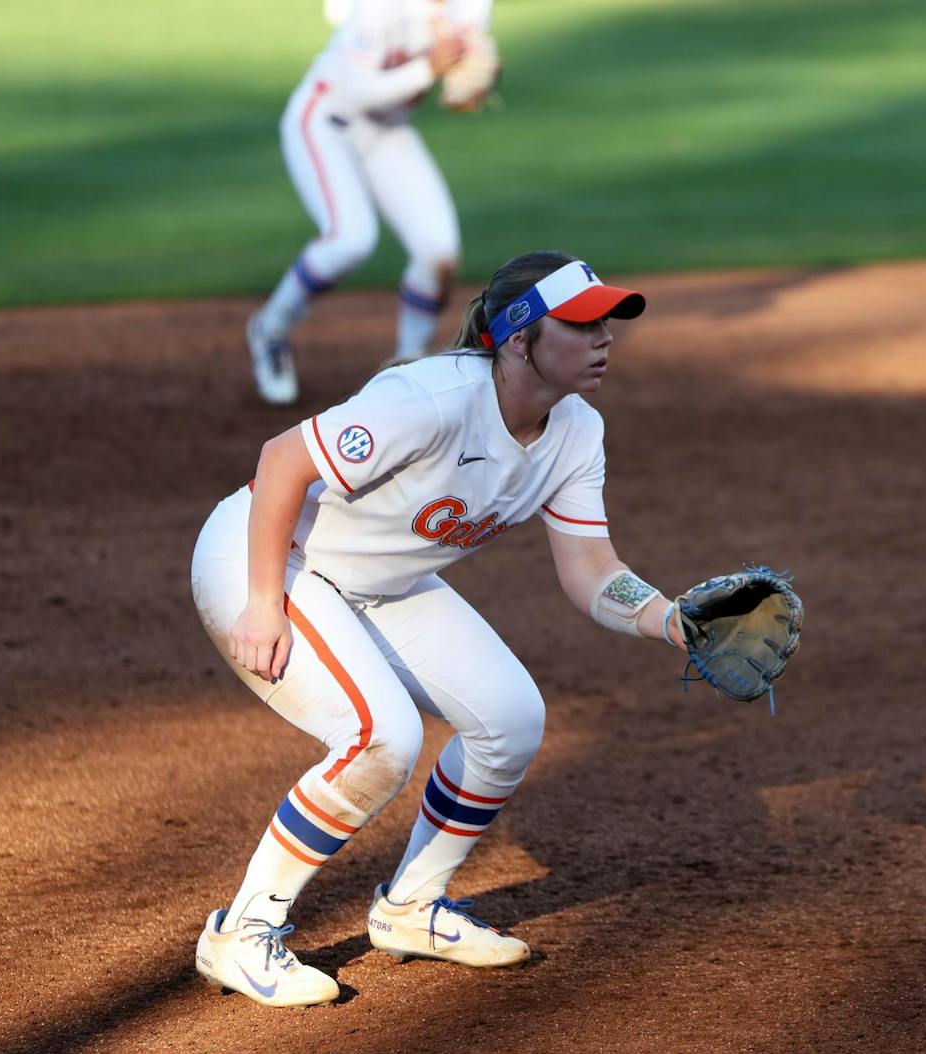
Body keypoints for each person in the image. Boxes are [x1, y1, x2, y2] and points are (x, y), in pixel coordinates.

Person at [193, 251, 692, 1007]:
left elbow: (590, 568)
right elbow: (282, 459)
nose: (604, 338)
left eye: (608, 323)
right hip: (268, 556)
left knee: (512, 720)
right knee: (378, 737)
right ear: (519, 339)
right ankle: (242, 931)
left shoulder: (577, 431)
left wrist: (671, 618)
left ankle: (411, 907)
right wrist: (264, 601)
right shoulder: (430, 397)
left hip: (380, 582)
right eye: (582, 323)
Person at [245, 0, 498, 407]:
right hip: (325, 119)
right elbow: (358, 90)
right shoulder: (380, 7)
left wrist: (470, 75)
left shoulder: (474, 4)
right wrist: (429, 69)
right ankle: (270, 329)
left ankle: (409, 371)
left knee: (439, 253)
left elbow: (470, 55)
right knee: (350, 239)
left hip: (388, 131)